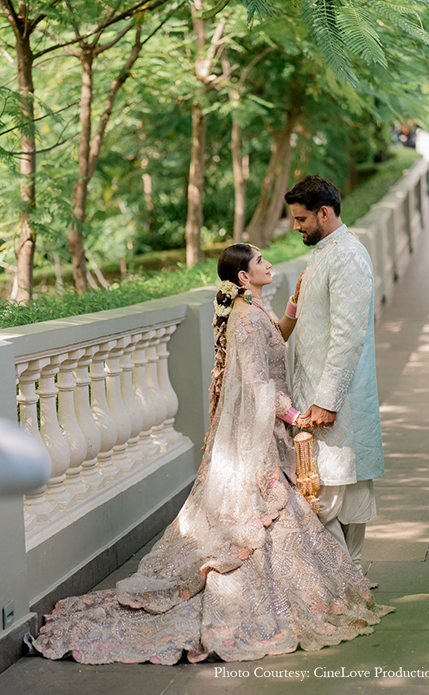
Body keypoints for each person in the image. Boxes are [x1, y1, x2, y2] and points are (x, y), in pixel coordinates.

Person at [31, 243, 391, 665]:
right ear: (243, 277)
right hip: (262, 432)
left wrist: (293, 303)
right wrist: (296, 416)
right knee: (267, 516)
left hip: (258, 432)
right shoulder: (248, 322)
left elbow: (274, 338)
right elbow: (258, 385)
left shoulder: (248, 314)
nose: (268, 262)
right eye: (260, 261)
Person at [284, 175, 384, 579]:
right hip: (316, 395)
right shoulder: (326, 253)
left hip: (334, 400)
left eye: (301, 218)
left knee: (337, 490)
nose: (296, 227)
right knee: (324, 486)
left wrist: (327, 399)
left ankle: (349, 577)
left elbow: (347, 335)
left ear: (324, 213)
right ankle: (345, 578)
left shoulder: (347, 256)